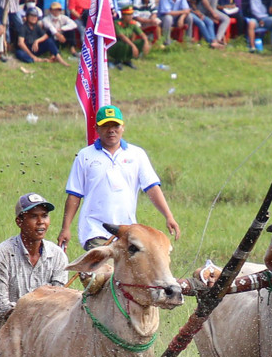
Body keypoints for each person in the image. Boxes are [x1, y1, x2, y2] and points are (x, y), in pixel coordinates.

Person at [57, 105, 180, 250]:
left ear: (123, 127)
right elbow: (74, 195)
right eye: (105, 126)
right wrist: (66, 228)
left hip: (127, 230)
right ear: (96, 129)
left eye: (115, 125)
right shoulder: (84, 156)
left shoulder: (136, 154)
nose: (111, 130)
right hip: (95, 230)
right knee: (107, 270)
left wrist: (168, 216)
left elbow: (152, 187)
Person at [0, 192, 69, 357]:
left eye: (44, 216)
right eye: (33, 217)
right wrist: (38, 311)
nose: (41, 222)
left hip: (43, 338)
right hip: (5, 337)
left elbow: (59, 302)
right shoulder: (1, 255)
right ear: (19, 222)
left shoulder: (58, 256)